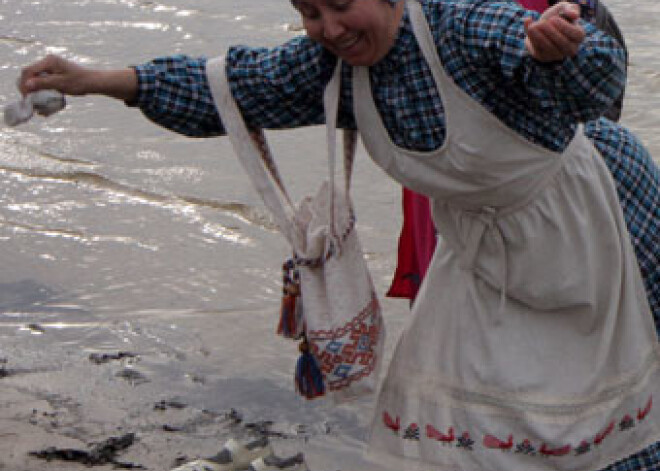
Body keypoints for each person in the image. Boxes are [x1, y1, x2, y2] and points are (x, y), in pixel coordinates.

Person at [17, 0, 660, 470]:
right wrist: (94, 81)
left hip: (596, 217)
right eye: (309, 12)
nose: (329, 29)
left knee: (626, 403)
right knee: (465, 426)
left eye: (342, 5)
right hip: (480, 255)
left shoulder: (464, 26)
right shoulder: (333, 70)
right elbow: (230, 88)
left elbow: (596, 85)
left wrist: (561, 50)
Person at [387, 0, 634, 302]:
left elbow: (598, 119)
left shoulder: (575, 13)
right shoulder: (420, 15)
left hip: (533, 203)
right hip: (450, 193)